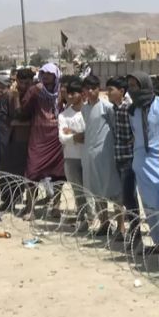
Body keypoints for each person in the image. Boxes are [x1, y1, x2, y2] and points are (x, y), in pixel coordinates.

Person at [127, 72, 159, 262]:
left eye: (135, 85)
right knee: (149, 207)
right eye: (129, 86)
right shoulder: (132, 111)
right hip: (140, 162)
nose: (132, 90)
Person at [80, 75, 122, 238]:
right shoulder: (84, 109)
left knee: (114, 189)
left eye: (93, 88)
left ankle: (120, 226)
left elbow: (114, 126)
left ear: (99, 89)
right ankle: (104, 223)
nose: (90, 92)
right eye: (87, 89)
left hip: (106, 154)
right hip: (91, 155)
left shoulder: (106, 107)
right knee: (97, 190)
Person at [21, 63, 65, 211]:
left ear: (55, 75)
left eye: (49, 73)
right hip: (39, 136)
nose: (46, 76)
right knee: (32, 171)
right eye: (43, 73)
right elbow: (25, 109)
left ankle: (56, 206)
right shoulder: (35, 90)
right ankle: (30, 207)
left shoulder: (61, 91)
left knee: (58, 174)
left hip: (56, 137)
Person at [106, 77, 139, 243]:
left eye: (111, 89)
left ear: (121, 91)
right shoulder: (114, 108)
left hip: (128, 158)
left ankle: (136, 232)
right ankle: (129, 230)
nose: (108, 93)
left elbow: (137, 131)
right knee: (123, 196)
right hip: (118, 157)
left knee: (129, 197)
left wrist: (131, 142)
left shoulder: (128, 108)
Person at [0, 69, 33, 212]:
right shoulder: (10, 96)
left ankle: (30, 204)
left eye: (26, 83)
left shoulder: (34, 96)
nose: (23, 86)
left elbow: (29, 118)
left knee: (30, 175)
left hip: (31, 140)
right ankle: (10, 200)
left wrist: (19, 122)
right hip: (14, 139)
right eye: (20, 82)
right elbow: (6, 117)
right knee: (10, 172)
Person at [58, 78, 91, 230]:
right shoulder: (64, 115)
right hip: (71, 157)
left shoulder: (89, 111)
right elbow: (62, 137)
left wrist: (74, 134)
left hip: (88, 156)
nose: (70, 97)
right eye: (68, 94)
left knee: (91, 189)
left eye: (73, 93)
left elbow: (90, 134)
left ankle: (96, 216)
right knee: (78, 190)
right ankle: (84, 218)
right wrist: (76, 136)